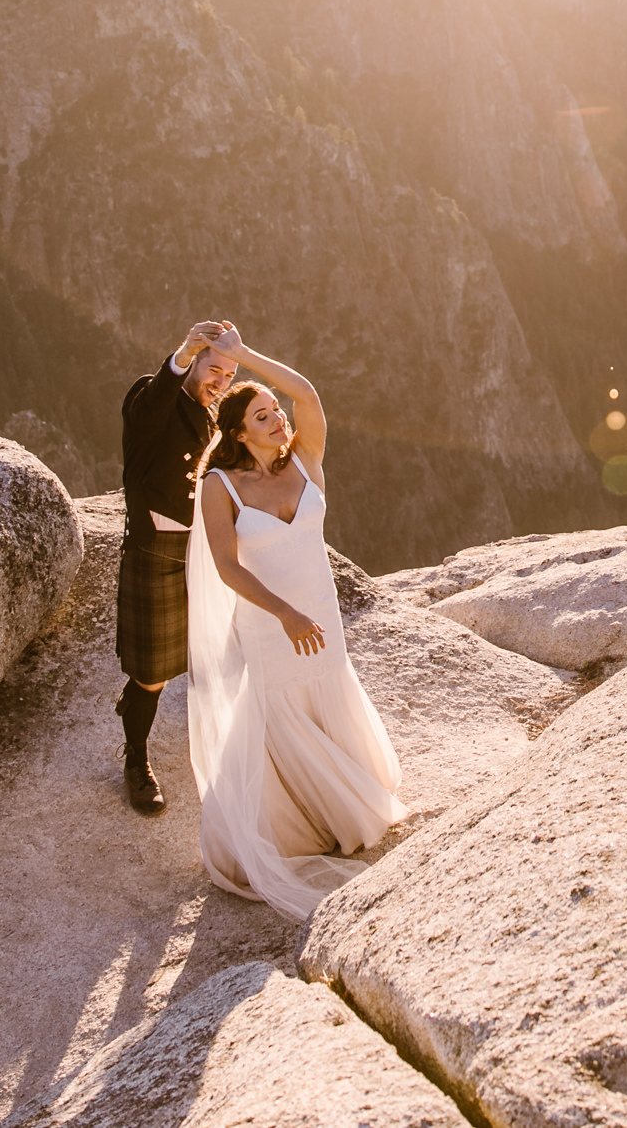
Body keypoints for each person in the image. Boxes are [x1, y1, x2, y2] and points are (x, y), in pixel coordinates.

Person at [184, 323, 406, 917]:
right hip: (270, 623)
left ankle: (340, 806)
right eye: (262, 416)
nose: (280, 419)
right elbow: (228, 568)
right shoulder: (220, 487)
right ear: (237, 433)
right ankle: (293, 825)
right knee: (279, 707)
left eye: (274, 411)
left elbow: (308, 395)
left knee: (327, 687)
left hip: (322, 615)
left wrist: (244, 356)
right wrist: (282, 613)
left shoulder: (307, 461)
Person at [113, 320, 239, 815]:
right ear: (194, 361)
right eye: (214, 369)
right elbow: (149, 415)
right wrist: (182, 356)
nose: (220, 382)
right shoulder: (153, 396)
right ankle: (136, 761)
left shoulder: (212, 419)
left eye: (228, 375)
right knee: (152, 673)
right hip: (156, 552)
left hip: (203, 555)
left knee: (210, 660)